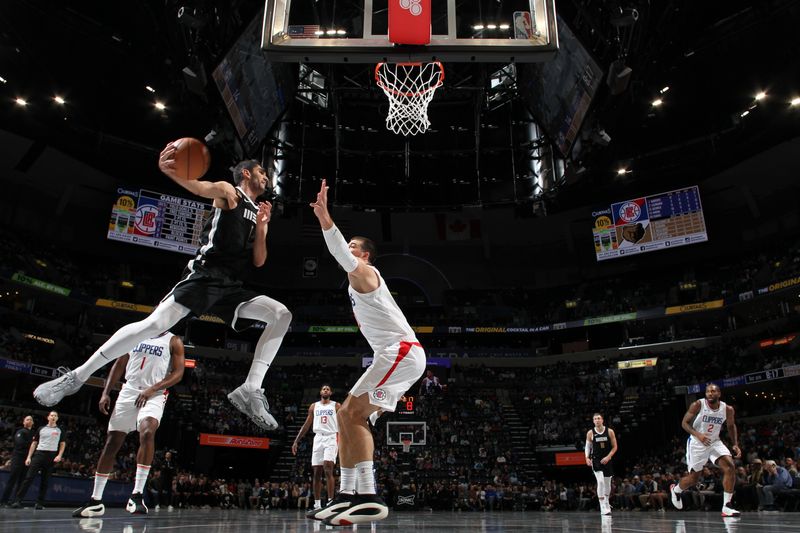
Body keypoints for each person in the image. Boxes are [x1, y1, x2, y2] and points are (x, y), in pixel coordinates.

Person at [33, 149, 292, 431]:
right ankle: (77, 377)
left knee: (281, 314)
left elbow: (259, 261)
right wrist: (174, 172)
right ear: (246, 173)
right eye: (262, 172)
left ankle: (250, 389)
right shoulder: (229, 192)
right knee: (152, 325)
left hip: (230, 287)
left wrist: (264, 229)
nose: (266, 177)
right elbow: (200, 187)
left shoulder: (258, 212)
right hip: (204, 277)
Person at [306, 179, 426, 526]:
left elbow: (339, 253)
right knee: (347, 415)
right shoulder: (355, 286)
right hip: (395, 356)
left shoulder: (367, 274)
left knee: (352, 413)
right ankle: (346, 494)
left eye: (353, 245)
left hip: (401, 352)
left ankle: (369, 495)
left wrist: (326, 220)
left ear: (365, 255)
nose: (348, 247)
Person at [73, 332, 185, 517]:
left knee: (148, 432)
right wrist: (106, 392)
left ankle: (137, 495)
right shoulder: (137, 333)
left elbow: (179, 373)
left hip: (155, 393)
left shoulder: (174, 340)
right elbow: (119, 364)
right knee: (112, 443)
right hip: (129, 390)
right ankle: (95, 501)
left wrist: (153, 389)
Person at [670, 383, 741, 516]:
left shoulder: (728, 409)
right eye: (708, 392)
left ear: (719, 394)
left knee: (730, 467)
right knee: (694, 479)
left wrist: (735, 444)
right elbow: (684, 423)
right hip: (697, 442)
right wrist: (699, 435)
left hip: (714, 441)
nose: (710, 394)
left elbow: (731, 426)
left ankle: (726, 506)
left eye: (713, 391)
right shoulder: (698, 404)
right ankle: (676, 490)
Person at [292, 384, 340, 512]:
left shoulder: (336, 405)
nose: (325, 390)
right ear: (320, 392)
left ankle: (330, 502)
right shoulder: (314, 406)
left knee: (328, 467)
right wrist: (296, 440)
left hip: (331, 437)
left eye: (328, 389)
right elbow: (307, 424)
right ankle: (317, 505)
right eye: (323, 388)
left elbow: (343, 422)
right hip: (318, 438)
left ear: (331, 393)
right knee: (317, 473)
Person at [10, 411, 65, 509]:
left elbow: (62, 444)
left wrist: (59, 455)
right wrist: (29, 457)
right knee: (28, 477)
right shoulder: (41, 429)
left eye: (55, 416)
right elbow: (34, 443)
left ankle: (39, 503)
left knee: (45, 480)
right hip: (39, 454)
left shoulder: (60, 430)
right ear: (48, 417)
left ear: (57, 418)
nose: (53, 417)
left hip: (51, 456)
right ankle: (18, 501)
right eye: (52, 415)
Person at [585, 413, 617, 515]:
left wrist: (608, 457)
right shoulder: (590, 433)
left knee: (607, 483)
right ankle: (602, 504)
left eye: (598, 418)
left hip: (607, 459)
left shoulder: (610, 431)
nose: (597, 420)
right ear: (593, 421)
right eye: (595, 419)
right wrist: (586, 457)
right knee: (601, 482)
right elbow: (587, 447)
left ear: (602, 420)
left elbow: (615, 447)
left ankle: (607, 502)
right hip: (596, 459)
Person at [0, 415, 34, 506]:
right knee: (12, 479)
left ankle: (15, 502)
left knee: (22, 481)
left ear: (33, 422)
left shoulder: (34, 434)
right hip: (17, 458)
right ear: (23, 422)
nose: (29, 421)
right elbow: (20, 443)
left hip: (27, 460)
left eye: (31, 420)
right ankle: (3, 501)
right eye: (27, 419)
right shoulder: (20, 431)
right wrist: (32, 444)